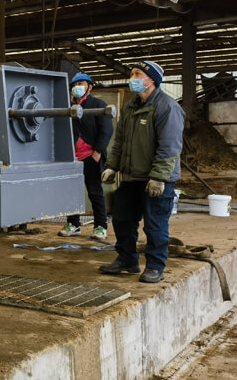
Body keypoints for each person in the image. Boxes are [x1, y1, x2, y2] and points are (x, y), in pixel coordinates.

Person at [99, 60, 184, 283]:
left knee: (155, 225)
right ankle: (128, 260)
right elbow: (120, 142)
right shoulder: (130, 107)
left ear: (151, 80)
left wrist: (158, 178)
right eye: (132, 74)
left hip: (155, 180)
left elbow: (170, 147)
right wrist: (112, 166)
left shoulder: (167, 107)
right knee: (122, 219)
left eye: (138, 74)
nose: (133, 78)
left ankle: (155, 266)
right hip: (131, 177)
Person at [58, 72, 113, 239]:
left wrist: (97, 152)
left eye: (81, 84)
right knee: (72, 192)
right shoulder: (69, 108)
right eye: (74, 85)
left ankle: (100, 227)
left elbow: (106, 130)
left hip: (91, 156)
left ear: (90, 87)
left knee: (94, 192)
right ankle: (73, 224)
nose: (77, 88)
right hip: (72, 157)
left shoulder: (97, 104)